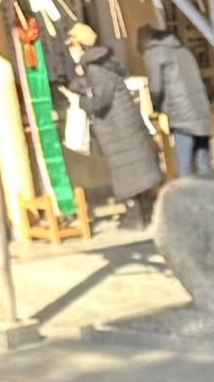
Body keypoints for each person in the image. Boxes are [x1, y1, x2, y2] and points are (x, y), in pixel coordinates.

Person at [58, 22, 161, 228]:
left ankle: (136, 218)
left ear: (81, 47)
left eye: (72, 46)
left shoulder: (95, 67)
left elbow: (100, 101)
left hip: (117, 128)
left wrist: (80, 101)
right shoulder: (101, 62)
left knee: (128, 175)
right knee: (134, 173)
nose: (71, 51)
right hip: (124, 125)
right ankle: (142, 213)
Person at [138, 21, 214, 177]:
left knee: (185, 168)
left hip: (181, 116)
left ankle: (190, 200)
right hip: (201, 112)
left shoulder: (153, 53)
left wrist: (156, 107)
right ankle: (212, 198)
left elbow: (156, 87)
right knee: (204, 166)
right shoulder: (183, 51)